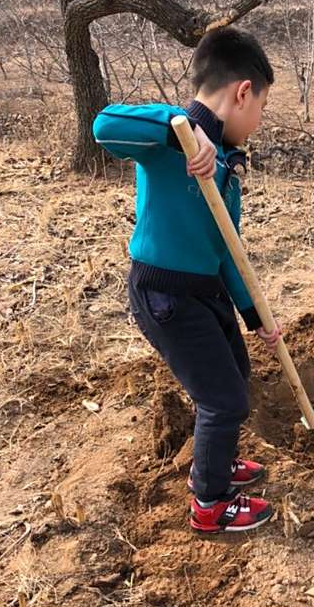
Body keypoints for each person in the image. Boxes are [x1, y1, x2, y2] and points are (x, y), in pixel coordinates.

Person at [93, 27, 281, 532]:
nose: (258, 122)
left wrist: (255, 314)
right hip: (165, 295)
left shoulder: (224, 163)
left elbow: (229, 253)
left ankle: (217, 461)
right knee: (223, 399)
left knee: (236, 376)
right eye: (260, 107)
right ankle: (210, 503)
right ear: (243, 92)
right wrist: (176, 122)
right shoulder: (170, 141)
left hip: (205, 289)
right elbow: (103, 125)